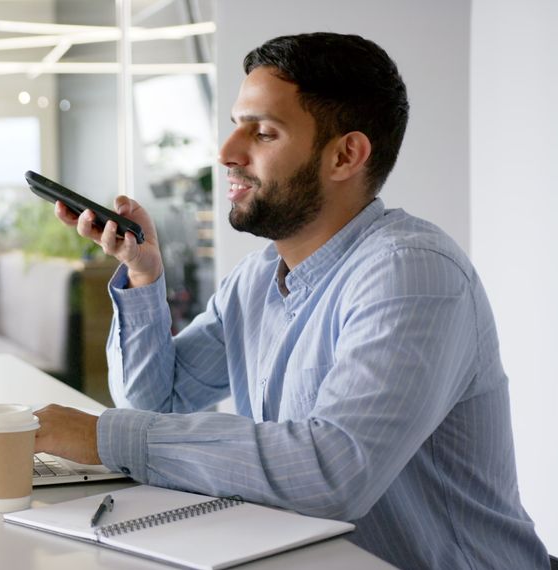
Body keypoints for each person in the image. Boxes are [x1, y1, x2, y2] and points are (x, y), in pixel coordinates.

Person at [33, 33, 549, 569]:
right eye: (236, 124)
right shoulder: (258, 279)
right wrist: (143, 274)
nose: (228, 153)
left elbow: (330, 472)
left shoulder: (411, 271)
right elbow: (154, 402)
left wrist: (101, 436)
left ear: (346, 155)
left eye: (263, 132)